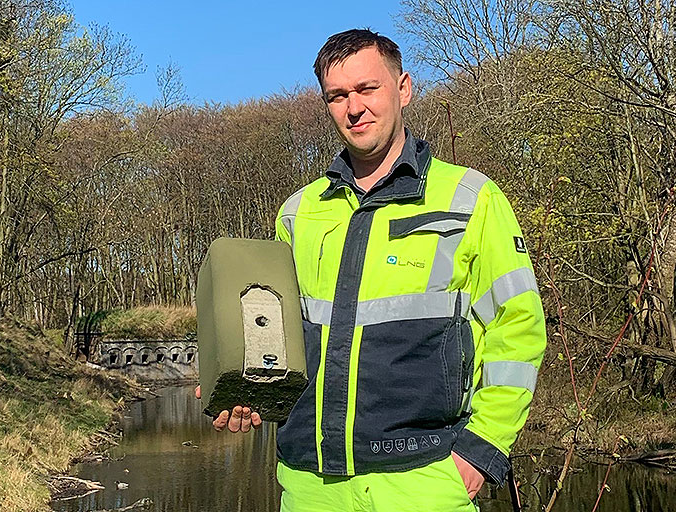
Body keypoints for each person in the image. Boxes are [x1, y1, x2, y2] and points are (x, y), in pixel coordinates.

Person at [202, 28, 546, 511]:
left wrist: (481, 449)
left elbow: (519, 328)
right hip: (310, 485)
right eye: (338, 96)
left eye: (367, 88)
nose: (354, 108)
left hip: (425, 481)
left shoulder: (471, 199)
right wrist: (243, 389)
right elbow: (276, 338)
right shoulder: (297, 213)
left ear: (403, 88)